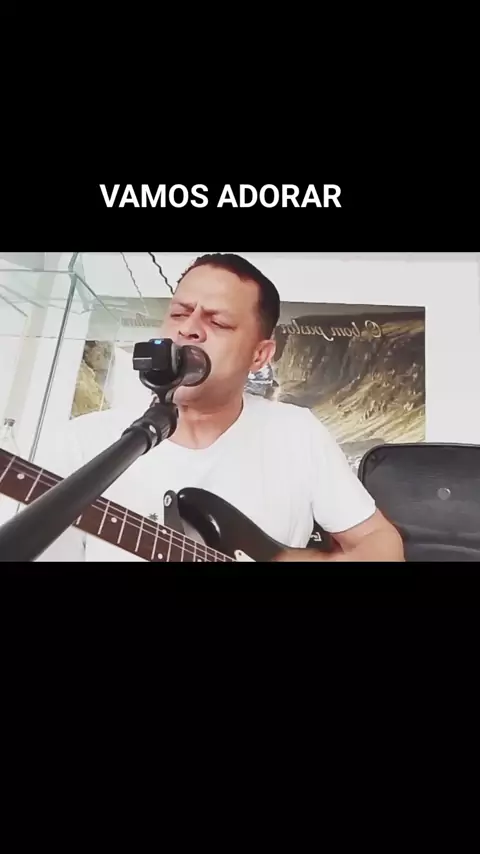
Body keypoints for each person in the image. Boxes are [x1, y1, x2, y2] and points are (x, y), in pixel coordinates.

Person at [36, 253, 404, 563]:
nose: (189, 329)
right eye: (179, 314)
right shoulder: (81, 443)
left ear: (259, 356)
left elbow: (380, 542)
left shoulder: (296, 431)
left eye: (218, 322)